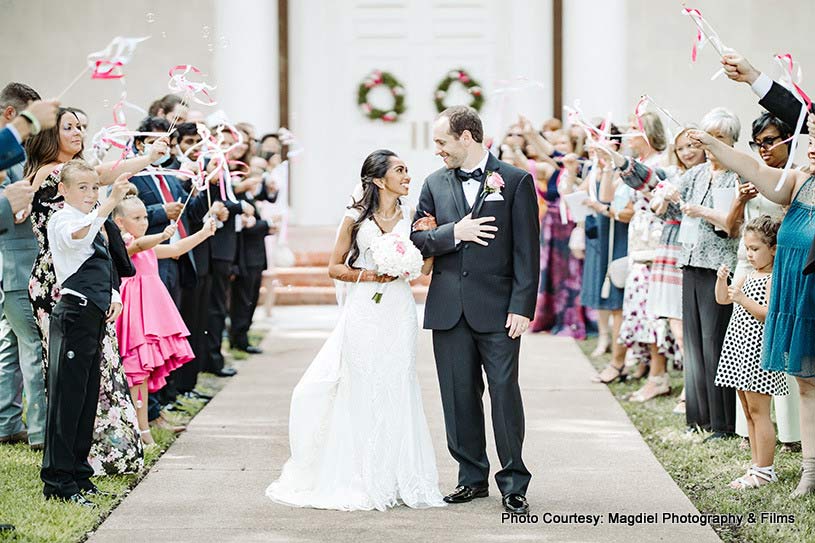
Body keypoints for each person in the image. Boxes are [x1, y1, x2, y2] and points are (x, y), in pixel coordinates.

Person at [267, 149, 445, 511]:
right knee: (361, 385)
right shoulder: (354, 218)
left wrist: (421, 254)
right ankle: (359, 475)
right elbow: (334, 268)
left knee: (398, 384)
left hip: (398, 310)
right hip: (365, 308)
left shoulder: (412, 217)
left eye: (407, 170)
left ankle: (397, 475)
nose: (408, 176)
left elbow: (424, 267)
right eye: (400, 170)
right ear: (379, 180)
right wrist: (370, 274)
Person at [410, 106, 539, 515]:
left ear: (466, 137)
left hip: (500, 311)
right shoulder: (432, 184)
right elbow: (418, 240)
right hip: (448, 308)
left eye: (442, 142)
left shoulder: (516, 181)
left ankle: (514, 481)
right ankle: (470, 478)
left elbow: (527, 252)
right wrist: (454, 233)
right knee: (457, 396)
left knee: (504, 395)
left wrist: (522, 305)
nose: (437, 150)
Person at [25, 108, 166, 474]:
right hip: (61, 281)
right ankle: (72, 459)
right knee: (72, 374)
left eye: (81, 126)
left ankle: (98, 452)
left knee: (99, 366)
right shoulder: (53, 174)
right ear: (47, 133)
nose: (77, 132)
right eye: (68, 126)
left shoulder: (80, 174)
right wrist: (147, 158)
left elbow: (99, 180)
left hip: (92, 275)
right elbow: (103, 177)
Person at [688, 127, 815, 498]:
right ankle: (810, 471)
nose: (813, 146)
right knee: (807, 385)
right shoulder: (799, 182)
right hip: (800, 298)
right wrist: (713, 145)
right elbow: (755, 170)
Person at [40, 161, 130, 506]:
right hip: (74, 313)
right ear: (63, 189)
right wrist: (108, 204)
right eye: (83, 187)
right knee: (67, 400)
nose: (91, 194)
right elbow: (78, 237)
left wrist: (115, 296)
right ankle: (58, 481)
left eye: (95, 187)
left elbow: (101, 262)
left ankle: (79, 474)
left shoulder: (95, 221)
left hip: (94, 315)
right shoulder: (62, 219)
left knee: (86, 398)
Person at [724, 113, 800, 452]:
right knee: (747, 351)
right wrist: (740, 200)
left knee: (779, 348)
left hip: (780, 265)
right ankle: (750, 429)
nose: (763, 148)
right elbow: (731, 228)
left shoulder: (797, 178)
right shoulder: (750, 173)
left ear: (788, 139)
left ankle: (791, 433)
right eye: (758, 143)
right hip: (747, 263)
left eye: (769, 141)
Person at [113, 193, 216, 444]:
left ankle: (142, 427)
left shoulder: (147, 246)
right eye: (136, 218)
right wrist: (160, 235)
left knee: (143, 373)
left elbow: (176, 249)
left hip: (151, 310)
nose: (143, 222)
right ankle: (138, 429)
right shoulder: (125, 242)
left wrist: (204, 232)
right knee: (135, 370)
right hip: (134, 311)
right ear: (119, 222)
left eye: (146, 217)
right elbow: (137, 246)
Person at [714, 216, 788, 489]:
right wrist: (722, 281)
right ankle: (756, 467)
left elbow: (768, 315)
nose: (749, 253)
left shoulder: (773, 279)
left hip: (758, 352)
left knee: (760, 412)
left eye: (755, 248)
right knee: (747, 411)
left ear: (774, 249)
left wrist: (742, 299)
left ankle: (765, 470)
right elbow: (722, 299)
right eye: (747, 247)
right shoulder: (747, 275)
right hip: (739, 349)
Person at [0, 83, 47, 449]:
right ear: (13, 115)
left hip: (10, 267)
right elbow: (13, 211)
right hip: (17, 265)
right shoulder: (10, 159)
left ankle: (6, 423)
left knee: (10, 348)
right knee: (32, 347)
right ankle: (40, 432)